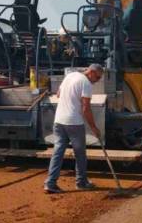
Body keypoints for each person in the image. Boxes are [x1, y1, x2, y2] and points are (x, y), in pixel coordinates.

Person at [44, 64, 104, 194]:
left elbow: (59, 94)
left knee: (58, 151)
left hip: (59, 120)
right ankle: (81, 182)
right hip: (74, 122)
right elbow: (85, 108)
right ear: (92, 72)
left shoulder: (70, 76)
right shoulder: (86, 83)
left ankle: (50, 182)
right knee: (80, 153)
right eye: (98, 77)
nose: (98, 80)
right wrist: (94, 127)